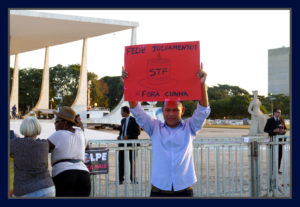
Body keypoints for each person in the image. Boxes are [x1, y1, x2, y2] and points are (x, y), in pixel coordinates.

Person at [121, 62, 210, 197]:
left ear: (182, 110)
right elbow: (136, 110)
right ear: (162, 110)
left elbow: (202, 110)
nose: (171, 114)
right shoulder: (154, 127)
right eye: (167, 110)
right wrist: (128, 83)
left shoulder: (190, 128)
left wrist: (202, 84)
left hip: (184, 191)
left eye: (175, 110)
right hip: (159, 191)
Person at [48, 106, 91, 197]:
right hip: (84, 175)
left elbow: (43, 148)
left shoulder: (58, 134)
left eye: (57, 121)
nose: (55, 124)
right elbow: (87, 147)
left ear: (64, 123)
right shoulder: (80, 132)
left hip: (64, 174)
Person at [10, 117, 55, 197]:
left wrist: (15, 138)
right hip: (47, 188)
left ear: (23, 128)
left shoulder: (15, 143)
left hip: (24, 191)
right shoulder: (44, 144)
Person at [117, 106, 141, 184]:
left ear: (126, 112)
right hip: (122, 144)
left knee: (132, 161)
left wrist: (128, 136)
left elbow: (138, 132)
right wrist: (119, 136)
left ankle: (133, 179)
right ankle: (120, 179)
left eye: (121, 112)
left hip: (132, 144)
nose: (120, 113)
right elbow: (122, 131)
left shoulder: (134, 120)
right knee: (121, 161)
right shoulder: (122, 120)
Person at [264, 108, 287, 173]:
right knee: (272, 155)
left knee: (279, 155)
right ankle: (272, 170)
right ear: (274, 113)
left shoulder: (281, 120)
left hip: (280, 141)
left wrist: (283, 131)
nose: (279, 113)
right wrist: (273, 131)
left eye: (280, 112)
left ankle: (277, 169)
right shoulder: (269, 120)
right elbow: (265, 130)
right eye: (278, 112)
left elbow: (285, 129)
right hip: (272, 140)